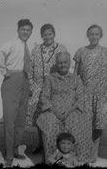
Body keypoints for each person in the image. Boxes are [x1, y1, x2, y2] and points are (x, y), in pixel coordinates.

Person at [36, 51, 93, 164]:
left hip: (72, 110)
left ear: (69, 62)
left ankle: (78, 160)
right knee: (50, 124)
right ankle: (53, 160)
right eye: (60, 62)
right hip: (53, 110)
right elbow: (44, 97)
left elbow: (80, 98)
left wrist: (69, 112)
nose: (63, 65)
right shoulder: (49, 78)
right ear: (56, 64)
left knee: (79, 124)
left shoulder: (76, 79)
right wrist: (56, 112)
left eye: (65, 62)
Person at [0, 19, 33, 167]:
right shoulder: (12, 43)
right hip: (12, 82)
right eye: (23, 29)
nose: (25, 32)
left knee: (20, 120)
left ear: (31, 32)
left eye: (28, 30)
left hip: (24, 81)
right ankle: (9, 155)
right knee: (10, 120)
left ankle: (16, 149)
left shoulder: (26, 46)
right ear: (18, 30)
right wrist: (4, 71)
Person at [25, 24, 67, 155]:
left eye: (50, 34)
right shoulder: (36, 49)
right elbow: (30, 69)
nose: (47, 37)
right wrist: (31, 85)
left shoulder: (61, 48)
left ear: (54, 34)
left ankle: (51, 145)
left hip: (54, 88)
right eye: (45, 34)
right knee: (37, 117)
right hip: (38, 88)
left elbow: (64, 67)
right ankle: (39, 143)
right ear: (41, 36)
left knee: (52, 117)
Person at [73, 24, 107, 162]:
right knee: (85, 123)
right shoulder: (81, 51)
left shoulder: (105, 52)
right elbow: (75, 73)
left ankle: (94, 152)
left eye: (96, 34)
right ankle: (84, 149)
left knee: (98, 123)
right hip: (85, 93)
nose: (94, 36)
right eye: (91, 34)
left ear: (101, 36)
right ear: (87, 36)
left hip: (101, 94)